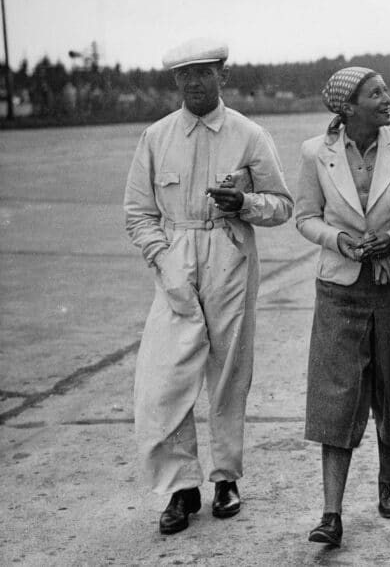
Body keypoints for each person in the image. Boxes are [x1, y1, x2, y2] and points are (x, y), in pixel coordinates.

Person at [123, 38, 294, 535]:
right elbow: (137, 213)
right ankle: (180, 487)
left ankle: (224, 478)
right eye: (184, 74)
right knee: (165, 376)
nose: (193, 81)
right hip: (175, 257)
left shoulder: (249, 134)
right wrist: (162, 257)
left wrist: (244, 203)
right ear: (175, 81)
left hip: (230, 254)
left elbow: (282, 205)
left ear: (223, 73)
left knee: (228, 371)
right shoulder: (155, 137)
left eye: (203, 71)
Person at [295, 66, 390, 546]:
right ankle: (331, 515)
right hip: (339, 288)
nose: (387, 98)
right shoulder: (315, 154)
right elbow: (305, 217)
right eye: (375, 93)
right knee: (335, 397)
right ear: (348, 106)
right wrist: (339, 240)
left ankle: (387, 482)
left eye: (385, 90)